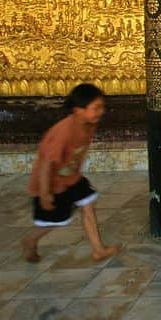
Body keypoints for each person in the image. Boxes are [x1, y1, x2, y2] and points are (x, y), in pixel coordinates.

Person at [21, 83, 121, 264]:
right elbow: (46, 163)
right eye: (96, 108)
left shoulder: (88, 124)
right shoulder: (64, 131)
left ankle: (98, 250)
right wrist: (45, 192)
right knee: (55, 221)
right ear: (78, 110)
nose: (101, 112)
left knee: (88, 203)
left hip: (71, 178)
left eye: (102, 107)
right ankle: (31, 240)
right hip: (52, 182)